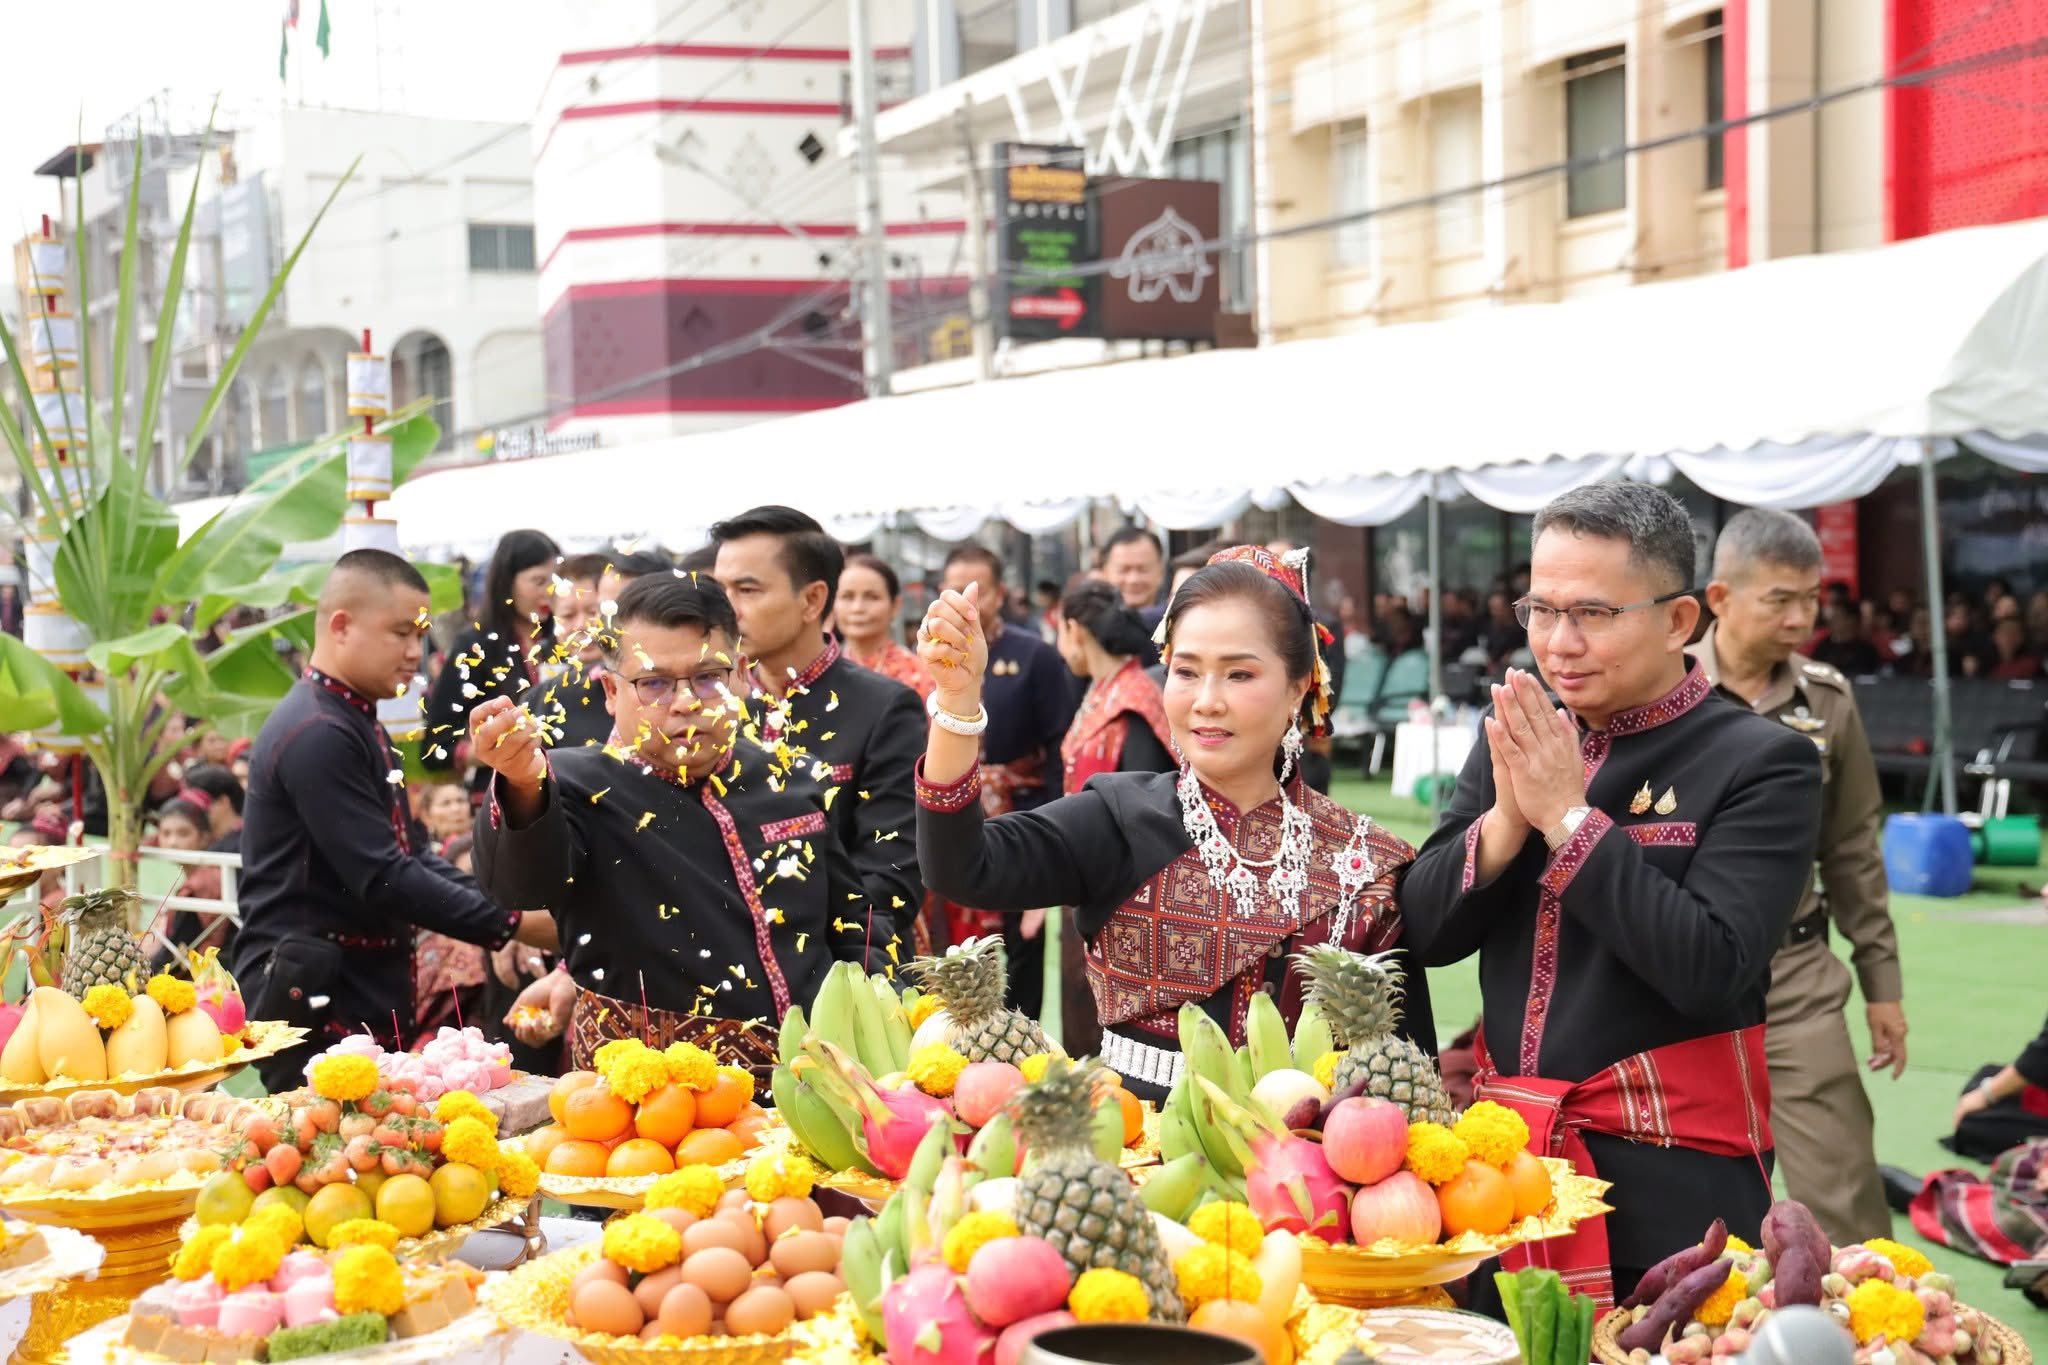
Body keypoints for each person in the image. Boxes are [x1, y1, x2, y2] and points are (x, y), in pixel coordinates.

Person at [1397, 483, 1823, 1309]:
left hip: (1675, 1182)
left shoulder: (1762, 762)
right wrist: (1507, 822)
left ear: (1679, 620)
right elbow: (1424, 928)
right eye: (1541, 609)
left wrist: (1568, 816)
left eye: (1592, 612)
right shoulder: (1524, 738)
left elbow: (1708, 966)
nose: (1559, 643)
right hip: (1509, 1173)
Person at [915, 545, 1426, 1102]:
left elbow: (1404, 1064)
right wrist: (958, 703)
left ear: (1298, 687)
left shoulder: (1364, 861)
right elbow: (961, 867)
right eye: (1186, 671)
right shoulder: (1115, 817)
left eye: (1238, 673)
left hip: (1311, 1166)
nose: (1206, 701)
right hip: (1140, 1161)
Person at [474, 573, 864, 1077]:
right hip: (649, 1104)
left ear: (741, 675)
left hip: (820, 1082)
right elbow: (519, 884)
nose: (685, 702)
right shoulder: (573, 784)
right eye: (654, 683)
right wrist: (521, 784)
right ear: (612, 692)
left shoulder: (793, 775)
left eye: (709, 677)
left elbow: (852, 928)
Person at [233, 549, 546, 1091]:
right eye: (400, 632)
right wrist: (511, 926)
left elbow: (412, 853)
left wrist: (504, 907)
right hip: (316, 994)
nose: (413, 653)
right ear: (341, 625)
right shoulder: (318, 731)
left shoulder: (352, 717)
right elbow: (382, 875)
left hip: (352, 988)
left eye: (419, 635)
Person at [1692, 508, 1904, 1246]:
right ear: (1719, 598)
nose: (1801, 616)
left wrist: (1882, 984)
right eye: (1779, 598)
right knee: (1681, 1196)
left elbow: (1852, 847)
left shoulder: (1828, 700)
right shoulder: (1661, 685)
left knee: (1843, 1187)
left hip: (1797, 970)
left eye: (1811, 598)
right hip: (1678, 963)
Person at [710, 506, 926, 961]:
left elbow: (891, 876)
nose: (725, 610)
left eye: (746, 590)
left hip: (843, 971)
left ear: (811, 600)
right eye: (720, 589)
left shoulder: (884, 707)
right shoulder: (714, 706)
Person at [935, 544, 1080, 1011]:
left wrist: (1055, 825)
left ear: (999, 594)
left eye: (976, 590)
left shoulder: (1033, 654)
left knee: (1019, 952)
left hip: (1022, 814)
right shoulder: (933, 658)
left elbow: (1060, 744)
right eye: (954, 589)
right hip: (957, 814)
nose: (964, 601)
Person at [1052, 579, 1177, 1054]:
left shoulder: (1133, 700)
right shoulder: (1104, 690)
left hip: (1122, 885)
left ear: (1073, 629)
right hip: (1082, 868)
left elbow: (1147, 790)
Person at [423, 528, 560, 792]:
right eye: (539, 581)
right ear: (508, 583)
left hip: (565, 789)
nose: (550, 592)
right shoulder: (476, 645)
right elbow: (435, 747)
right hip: (501, 796)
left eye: (556, 581)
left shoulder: (564, 640)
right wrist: (492, 750)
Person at [837, 553, 935, 700]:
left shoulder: (919, 676)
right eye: (847, 596)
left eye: (872, 597)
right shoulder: (821, 673)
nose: (857, 608)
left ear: (895, 606)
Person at [1100, 526, 1166, 615]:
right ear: (1105, 573)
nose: (1133, 580)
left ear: (1161, 572)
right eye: (1123, 570)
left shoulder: (1178, 624)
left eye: (1143, 570)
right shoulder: (1087, 626)